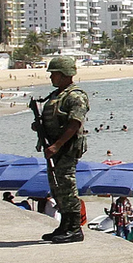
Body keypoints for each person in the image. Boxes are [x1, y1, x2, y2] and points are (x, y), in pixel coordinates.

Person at [34, 56, 89, 243]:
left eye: (54, 74)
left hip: (67, 147)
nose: (51, 78)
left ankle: (74, 228)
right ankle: (65, 224)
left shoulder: (75, 95)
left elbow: (75, 123)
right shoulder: (58, 95)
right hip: (55, 147)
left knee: (66, 184)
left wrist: (58, 145)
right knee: (57, 186)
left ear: (65, 74)